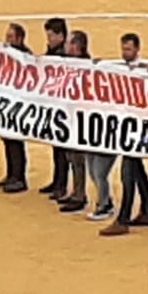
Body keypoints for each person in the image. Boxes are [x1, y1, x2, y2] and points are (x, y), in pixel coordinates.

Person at [99, 32, 148, 236]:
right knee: (137, 170)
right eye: (123, 49)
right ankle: (147, 210)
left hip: (137, 131)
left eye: (129, 49)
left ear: (137, 49)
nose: (125, 53)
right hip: (127, 129)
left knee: (128, 174)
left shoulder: (144, 72)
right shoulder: (122, 69)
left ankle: (123, 219)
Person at [38, 17, 76, 197]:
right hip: (56, 108)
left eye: (52, 35)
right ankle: (57, 181)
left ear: (61, 35)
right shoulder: (54, 51)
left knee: (63, 151)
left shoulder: (64, 56)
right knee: (57, 149)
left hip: (65, 110)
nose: (49, 39)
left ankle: (61, 185)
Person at [56, 28, 93, 213]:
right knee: (70, 156)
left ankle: (80, 195)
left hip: (79, 119)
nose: (66, 46)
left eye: (69, 43)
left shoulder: (86, 66)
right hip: (70, 117)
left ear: (77, 46)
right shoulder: (72, 62)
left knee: (77, 158)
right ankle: (76, 191)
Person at [0, 22, 31, 193]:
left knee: (16, 143)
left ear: (20, 38)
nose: (7, 39)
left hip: (19, 107)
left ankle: (19, 178)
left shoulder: (25, 56)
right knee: (8, 142)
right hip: (8, 104)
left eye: (10, 36)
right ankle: (11, 174)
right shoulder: (8, 53)